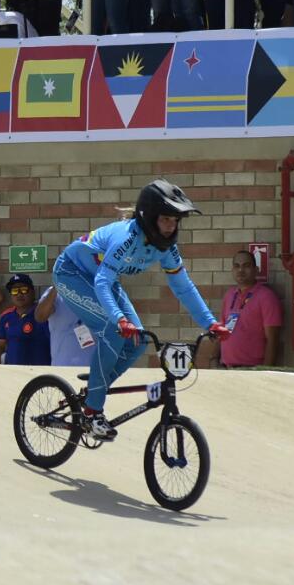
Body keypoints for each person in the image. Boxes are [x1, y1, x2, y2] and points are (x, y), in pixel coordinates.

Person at [52, 180, 228, 440]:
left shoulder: (166, 248)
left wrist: (210, 324)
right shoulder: (128, 238)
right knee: (113, 330)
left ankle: (93, 393)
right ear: (149, 217)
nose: (172, 226)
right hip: (72, 274)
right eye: (166, 219)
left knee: (137, 341)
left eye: (176, 220)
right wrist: (120, 319)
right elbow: (102, 281)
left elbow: (184, 288)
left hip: (102, 280)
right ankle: (92, 412)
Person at [205, 250, 283, 368]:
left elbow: (272, 340)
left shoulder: (266, 297)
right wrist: (213, 358)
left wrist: (266, 372)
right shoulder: (230, 295)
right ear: (232, 270)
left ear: (256, 270)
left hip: (252, 370)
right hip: (226, 368)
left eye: (246, 266)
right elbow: (222, 330)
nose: (240, 270)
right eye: (237, 266)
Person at [0, 274, 51, 365]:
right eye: (14, 291)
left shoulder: (43, 313)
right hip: (14, 372)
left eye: (23, 289)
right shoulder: (6, 316)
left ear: (32, 292)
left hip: (40, 371)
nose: (19, 294)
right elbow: (0, 345)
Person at [35, 284, 87, 366]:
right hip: (62, 366)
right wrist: (56, 286)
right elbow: (40, 317)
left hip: (95, 367)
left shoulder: (101, 289)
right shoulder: (54, 292)